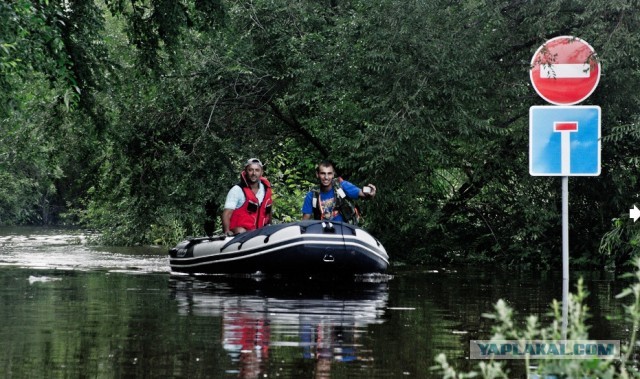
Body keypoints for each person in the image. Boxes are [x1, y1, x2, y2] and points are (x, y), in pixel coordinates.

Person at [302, 160, 376, 224]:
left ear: (333, 174)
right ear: (317, 174)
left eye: (329, 173)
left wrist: (370, 193)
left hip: (345, 231)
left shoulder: (342, 186)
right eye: (323, 173)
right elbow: (305, 222)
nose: (326, 177)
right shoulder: (312, 195)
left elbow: (362, 194)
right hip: (323, 234)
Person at [222, 158, 273, 235]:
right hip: (240, 233)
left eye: (257, 170)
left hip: (260, 232)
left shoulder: (266, 189)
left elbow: (269, 211)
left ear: (261, 172)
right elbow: (226, 214)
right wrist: (226, 231)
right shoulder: (237, 190)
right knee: (241, 231)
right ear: (245, 171)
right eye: (250, 170)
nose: (254, 173)